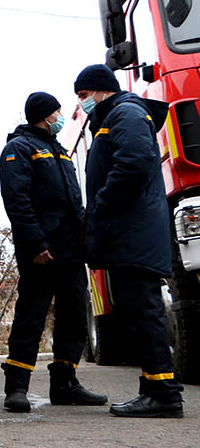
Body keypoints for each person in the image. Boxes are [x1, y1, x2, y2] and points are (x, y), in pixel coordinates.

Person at [75, 64, 185, 419]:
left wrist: (101, 203)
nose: (82, 102)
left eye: (84, 94)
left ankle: (163, 394)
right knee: (139, 313)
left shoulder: (126, 113)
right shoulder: (116, 116)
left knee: (144, 311)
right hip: (130, 231)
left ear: (102, 89)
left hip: (133, 231)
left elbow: (134, 163)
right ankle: (154, 389)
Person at [0, 92, 108, 413]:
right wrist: (36, 244)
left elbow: (73, 201)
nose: (60, 116)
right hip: (41, 250)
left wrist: (86, 240)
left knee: (74, 316)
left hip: (70, 249)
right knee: (31, 318)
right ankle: (16, 388)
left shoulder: (58, 150)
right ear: (45, 115)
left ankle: (65, 384)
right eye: (57, 111)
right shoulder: (19, 149)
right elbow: (17, 200)